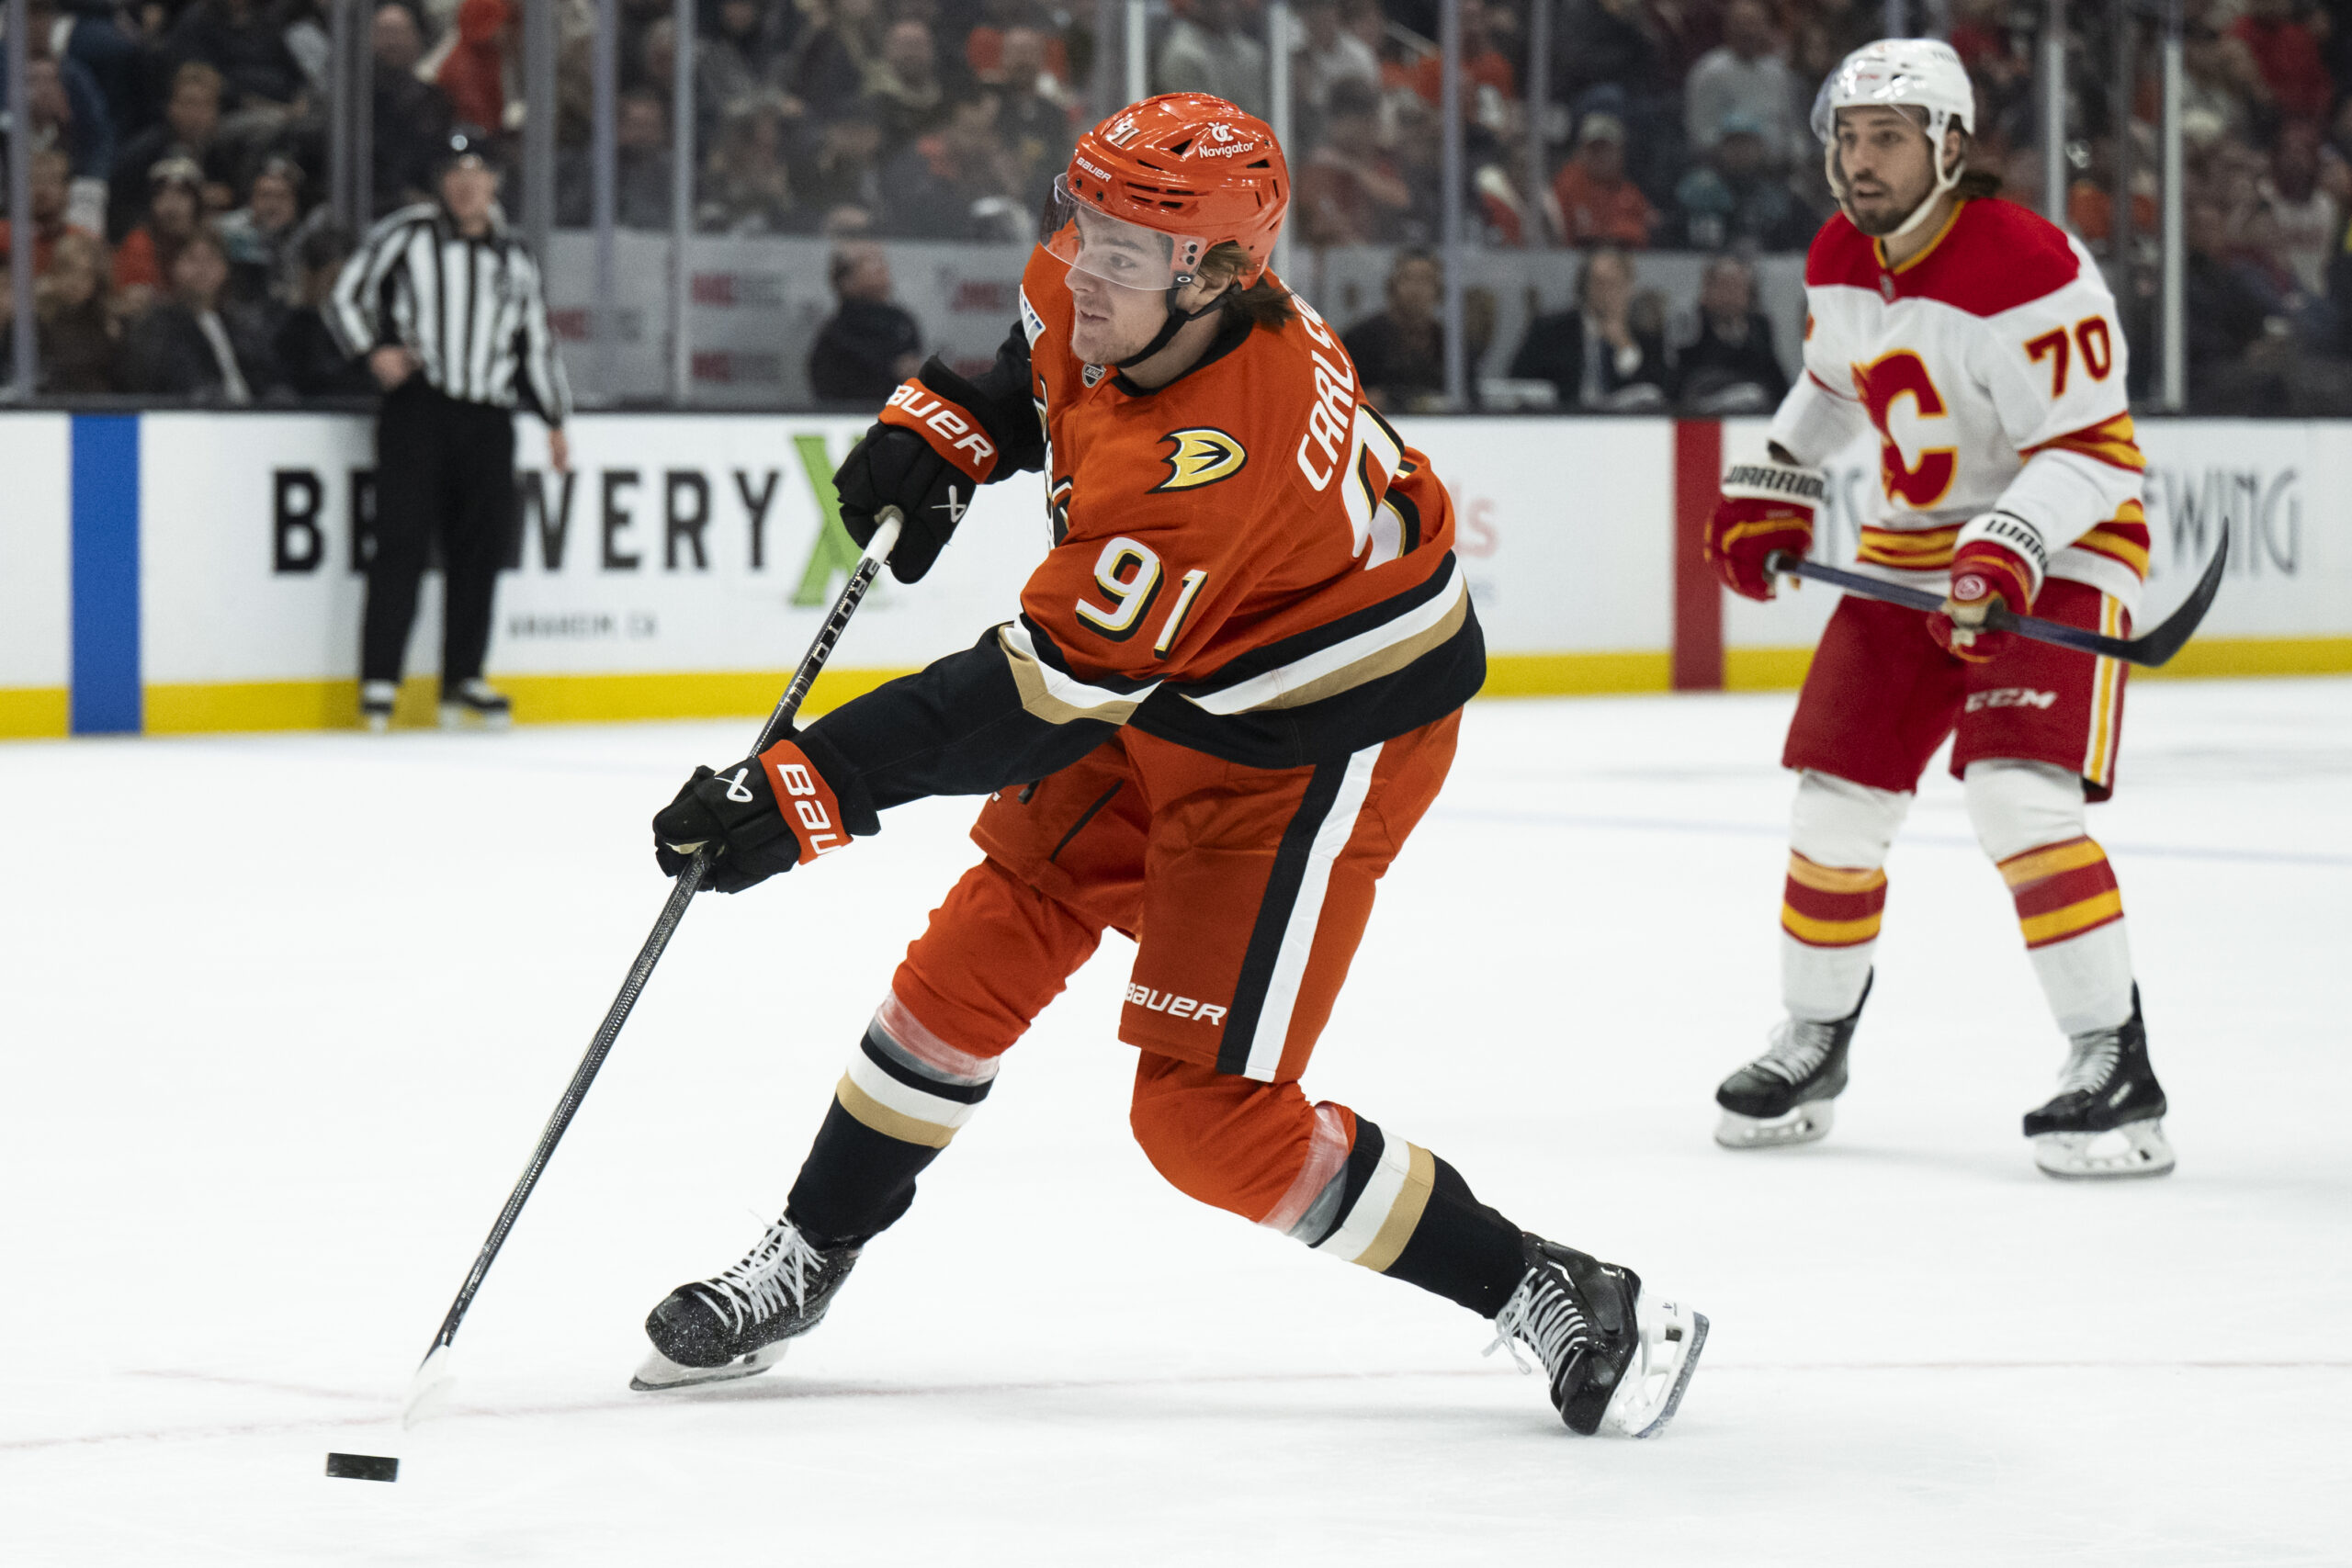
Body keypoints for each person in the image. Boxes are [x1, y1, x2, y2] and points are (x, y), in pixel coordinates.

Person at [629, 92, 1706, 1438]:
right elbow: (1037, 371)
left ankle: (1548, 1280)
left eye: (1124, 254)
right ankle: (807, 1253)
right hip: (1178, 678)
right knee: (977, 952)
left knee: (1207, 1122)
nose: (1083, 268)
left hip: (1312, 738)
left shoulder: (1216, 462)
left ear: (1215, 274)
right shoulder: (1126, 277)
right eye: (1080, 226)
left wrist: (806, 787)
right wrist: (948, 423)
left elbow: (1030, 694)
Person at [1703, 39, 2173, 1180]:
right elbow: (1829, 390)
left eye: (1888, 139)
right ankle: (1813, 1041)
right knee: (1831, 812)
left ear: (1949, 148)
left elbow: (2094, 454)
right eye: (1847, 140)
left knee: (2018, 802)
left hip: (2059, 549)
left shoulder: (2029, 261)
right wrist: (1777, 480)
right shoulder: (1836, 254)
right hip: (1911, 557)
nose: (1860, 162)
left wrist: (2006, 544)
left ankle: (2113, 1061)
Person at [328, 129, 572, 733]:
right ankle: (380, 678)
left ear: (494, 183)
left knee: (480, 551)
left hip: (489, 417)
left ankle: (463, 676)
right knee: (401, 543)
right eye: (455, 172)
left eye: (478, 172)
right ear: (443, 182)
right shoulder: (409, 233)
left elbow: (535, 340)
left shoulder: (515, 254)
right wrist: (373, 352)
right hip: (421, 407)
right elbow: (344, 296)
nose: (467, 184)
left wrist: (555, 417)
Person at [117, 226, 272, 401]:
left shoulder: (241, 325)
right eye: (192, 259)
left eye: (211, 259)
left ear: (225, 269)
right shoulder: (157, 327)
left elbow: (267, 377)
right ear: (173, 266)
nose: (202, 269)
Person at [1506, 246, 1669, 409]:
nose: (1606, 292)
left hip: (1623, 430)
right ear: (1584, 285)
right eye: (1599, 282)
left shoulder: (1647, 338)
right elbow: (1518, 383)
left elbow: (1660, 394)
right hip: (1560, 426)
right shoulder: (1550, 331)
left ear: (1629, 287)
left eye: (1614, 283)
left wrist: (1624, 345)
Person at [807, 240, 922, 403]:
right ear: (845, 280)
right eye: (868, 262)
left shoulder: (902, 322)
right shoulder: (836, 334)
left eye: (881, 260)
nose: (881, 267)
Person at [1673, 254, 1789, 412]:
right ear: (1706, 291)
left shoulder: (1759, 331)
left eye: (1738, 286)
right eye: (1724, 285)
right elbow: (1680, 386)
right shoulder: (1692, 329)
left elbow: (1777, 384)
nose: (1730, 295)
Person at [1340, 247, 1449, 409]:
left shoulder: (1451, 344)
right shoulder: (1360, 340)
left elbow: (1470, 399)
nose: (1416, 288)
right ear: (1391, 286)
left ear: (1439, 290)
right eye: (1408, 278)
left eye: (1426, 280)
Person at [1551, 111, 1655, 248]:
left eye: (1606, 149)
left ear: (1620, 152)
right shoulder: (1566, 186)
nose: (1600, 156)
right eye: (1594, 149)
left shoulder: (1630, 193)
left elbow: (1644, 234)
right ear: (1581, 151)